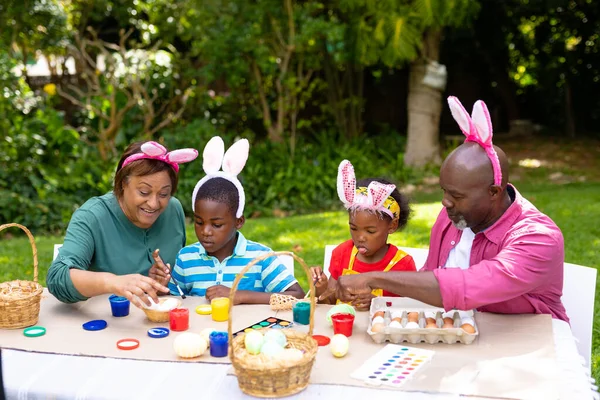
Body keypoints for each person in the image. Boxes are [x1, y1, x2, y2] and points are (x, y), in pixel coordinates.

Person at [332, 96, 568, 322]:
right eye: (444, 191)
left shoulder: (538, 238)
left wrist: (373, 278)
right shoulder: (453, 216)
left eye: (456, 195)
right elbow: (431, 275)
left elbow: (466, 286)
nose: (445, 202)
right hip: (459, 334)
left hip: (529, 343)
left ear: (494, 192)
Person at [47, 141, 198, 308]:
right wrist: (113, 282)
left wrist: (159, 284)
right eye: (144, 192)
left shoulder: (173, 209)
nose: (154, 204)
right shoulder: (92, 216)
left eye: (164, 193)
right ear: (122, 184)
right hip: (105, 325)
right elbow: (57, 278)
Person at [169, 136, 304, 304]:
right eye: (199, 222)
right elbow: (173, 300)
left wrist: (239, 295)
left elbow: (297, 296)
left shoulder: (260, 257)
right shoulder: (186, 258)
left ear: (239, 222)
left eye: (217, 224)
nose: (206, 231)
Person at [311, 160, 416, 310]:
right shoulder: (342, 254)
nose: (360, 237)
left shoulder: (403, 265)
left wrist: (378, 304)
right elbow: (330, 303)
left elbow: (411, 310)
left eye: (370, 231)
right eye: (354, 228)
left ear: (392, 226)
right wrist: (321, 287)